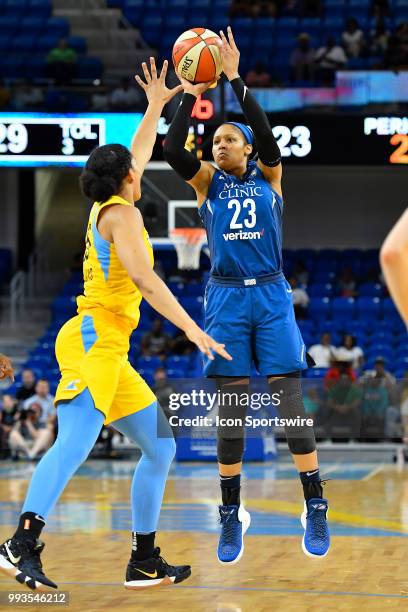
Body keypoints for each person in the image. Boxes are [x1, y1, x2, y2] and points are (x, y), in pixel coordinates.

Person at [0, 58, 231, 592]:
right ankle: (20, 542)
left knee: (161, 445)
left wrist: (155, 106)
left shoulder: (111, 203)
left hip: (111, 346)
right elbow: (148, 283)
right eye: (135, 164)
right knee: (75, 442)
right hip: (92, 339)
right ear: (129, 177)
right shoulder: (122, 216)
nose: (141, 165)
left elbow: (142, 150)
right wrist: (194, 331)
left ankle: (144, 559)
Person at [163, 27, 330, 564]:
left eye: (229, 140)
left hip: (273, 296)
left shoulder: (272, 175)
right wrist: (191, 87)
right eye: (216, 142)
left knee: (290, 405)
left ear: (250, 148)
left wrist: (232, 76)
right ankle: (231, 514)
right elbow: (171, 147)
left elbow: (266, 133)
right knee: (230, 415)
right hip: (227, 299)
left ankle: (315, 502)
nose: (220, 145)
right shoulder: (207, 183)